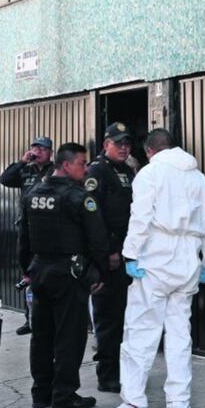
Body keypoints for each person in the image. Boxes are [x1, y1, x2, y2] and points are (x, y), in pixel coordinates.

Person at [99, 129, 205, 408]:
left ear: (150, 151)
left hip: (156, 258)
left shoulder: (151, 174)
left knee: (141, 332)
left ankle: (134, 406)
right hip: (188, 260)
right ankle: (179, 404)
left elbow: (140, 218)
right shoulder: (200, 180)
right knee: (180, 334)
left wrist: (130, 255)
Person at [19, 142, 110, 408]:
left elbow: (24, 238)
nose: (85, 169)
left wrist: (27, 270)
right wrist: (100, 273)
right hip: (69, 274)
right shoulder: (79, 197)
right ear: (67, 165)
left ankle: (41, 393)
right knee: (69, 336)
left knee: (42, 334)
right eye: (82, 164)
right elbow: (98, 241)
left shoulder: (34, 193)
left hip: (40, 271)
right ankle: (64, 395)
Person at [85, 122, 137, 393]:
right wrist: (109, 251)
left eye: (127, 143)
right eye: (119, 143)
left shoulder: (126, 170)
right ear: (106, 144)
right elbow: (94, 217)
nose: (124, 148)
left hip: (128, 255)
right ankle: (107, 376)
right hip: (110, 257)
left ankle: (122, 369)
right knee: (108, 319)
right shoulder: (97, 171)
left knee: (125, 318)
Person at [0, 136, 54, 335]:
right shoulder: (25, 170)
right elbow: (5, 179)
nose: (37, 152)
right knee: (27, 272)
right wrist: (22, 161)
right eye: (35, 148)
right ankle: (29, 319)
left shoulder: (54, 171)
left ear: (50, 152)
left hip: (48, 231)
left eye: (42, 149)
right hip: (27, 230)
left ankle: (45, 318)